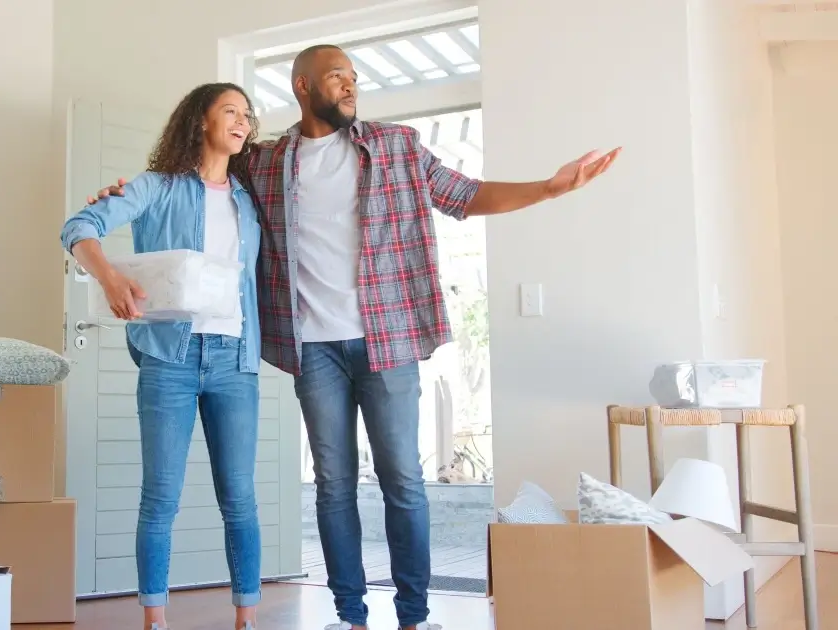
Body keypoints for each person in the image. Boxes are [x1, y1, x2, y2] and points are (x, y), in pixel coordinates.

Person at [88, 45, 619, 630]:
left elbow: (464, 195)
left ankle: (414, 617)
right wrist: (115, 202)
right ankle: (349, 616)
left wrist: (548, 188)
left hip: (386, 340)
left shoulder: (397, 146)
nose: (349, 86)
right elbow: (199, 183)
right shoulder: (265, 162)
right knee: (334, 487)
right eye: (336, 76)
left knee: (404, 482)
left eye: (353, 78)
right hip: (313, 349)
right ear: (303, 85)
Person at [60, 82, 264, 630]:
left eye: (248, 115)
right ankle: (155, 618)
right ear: (200, 121)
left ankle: (246, 616)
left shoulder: (250, 199)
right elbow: (78, 227)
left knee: (240, 498)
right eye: (230, 112)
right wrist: (109, 279)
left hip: (235, 359)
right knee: (160, 497)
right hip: (169, 359)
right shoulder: (156, 186)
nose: (243, 122)